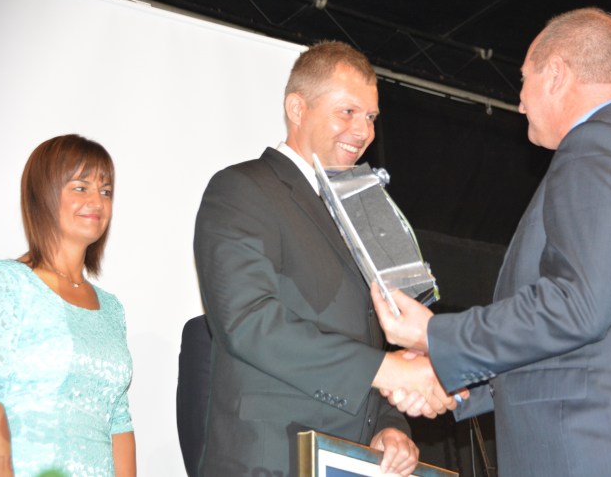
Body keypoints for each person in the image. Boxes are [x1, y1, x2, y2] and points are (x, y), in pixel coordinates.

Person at [371, 7, 611, 477]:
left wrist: (434, 335)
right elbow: (603, 335)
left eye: (523, 80)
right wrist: (458, 385)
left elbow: (578, 306)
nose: (519, 103)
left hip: (602, 447)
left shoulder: (598, 144)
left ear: (555, 74)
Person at [193, 41, 456, 477]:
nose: (363, 131)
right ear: (297, 109)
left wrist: (387, 426)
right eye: (347, 112)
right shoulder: (242, 189)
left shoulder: (363, 213)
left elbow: (369, 341)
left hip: (345, 461)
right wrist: (390, 371)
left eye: (371, 117)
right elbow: (248, 322)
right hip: (270, 459)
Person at [0, 134, 136, 476]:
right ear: (44, 195)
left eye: (106, 191)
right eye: (80, 187)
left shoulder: (111, 309)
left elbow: (119, 420)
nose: (97, 201)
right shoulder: (7, 283)